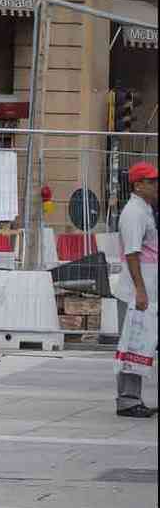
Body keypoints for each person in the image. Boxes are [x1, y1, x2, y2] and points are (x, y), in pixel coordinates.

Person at [114, 161, 158, 418]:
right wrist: (141, 290)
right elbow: (132, 253)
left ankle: (133, 398)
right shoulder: (134, 213)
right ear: (138, 185)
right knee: (133, 344)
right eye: (151, 182)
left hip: (146, 292)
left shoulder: (146, 209)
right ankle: (128, 401)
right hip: (136, 294)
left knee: (142, 344)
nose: (155, 186)